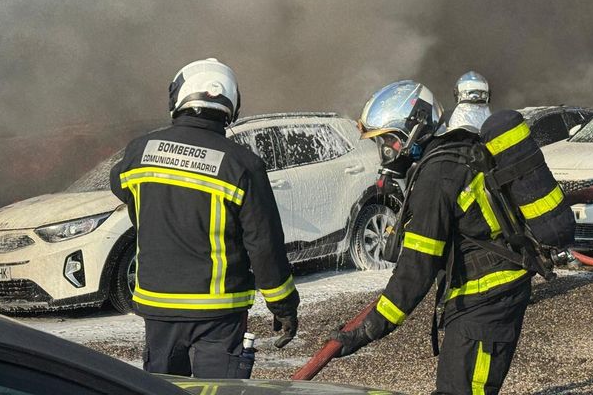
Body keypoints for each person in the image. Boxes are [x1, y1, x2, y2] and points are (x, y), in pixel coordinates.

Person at [334, 80, 534, 395]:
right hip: (483, 294)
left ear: (409, 132)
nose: (385, 151)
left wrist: (367, 329)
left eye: (387, 140)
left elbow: (416, 269)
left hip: (487, 300)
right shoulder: (450, 152)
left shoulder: (437, 174)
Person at [110, 58, 300, 378]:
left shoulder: (138, 152)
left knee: (162, 388)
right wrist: (283, 305)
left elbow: (122, 188)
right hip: (219, 311)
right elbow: (264, 243)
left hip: (159, 306)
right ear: (231, 105)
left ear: (178, 98)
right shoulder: (243, 164)